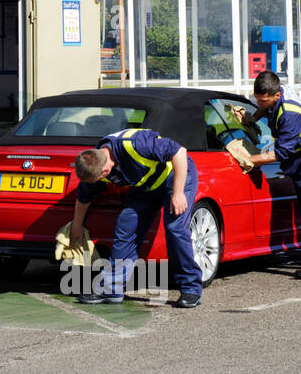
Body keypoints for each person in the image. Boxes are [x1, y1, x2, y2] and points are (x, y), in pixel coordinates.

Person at [70, 127, 203, 308]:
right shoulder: (93, 163)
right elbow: (84, 196)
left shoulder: (136, 144)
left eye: (100, 178)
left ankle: (191, 288)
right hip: (146, 186)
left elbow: (179, 152)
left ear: (104, 171)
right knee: (125, 228)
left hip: (176, 177)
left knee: (175, 228)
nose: (100, 182)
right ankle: (111, 289)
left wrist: (178, 193)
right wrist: (76, 226)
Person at [237, 70, 301, 280]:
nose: (259, 103)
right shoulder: (275, 95)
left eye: (263, 100)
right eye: (257, 99)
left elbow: (282, 152)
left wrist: (249, 159)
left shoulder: (290, 115)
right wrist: (251, 119)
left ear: (276, 95)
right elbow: (265, 110)